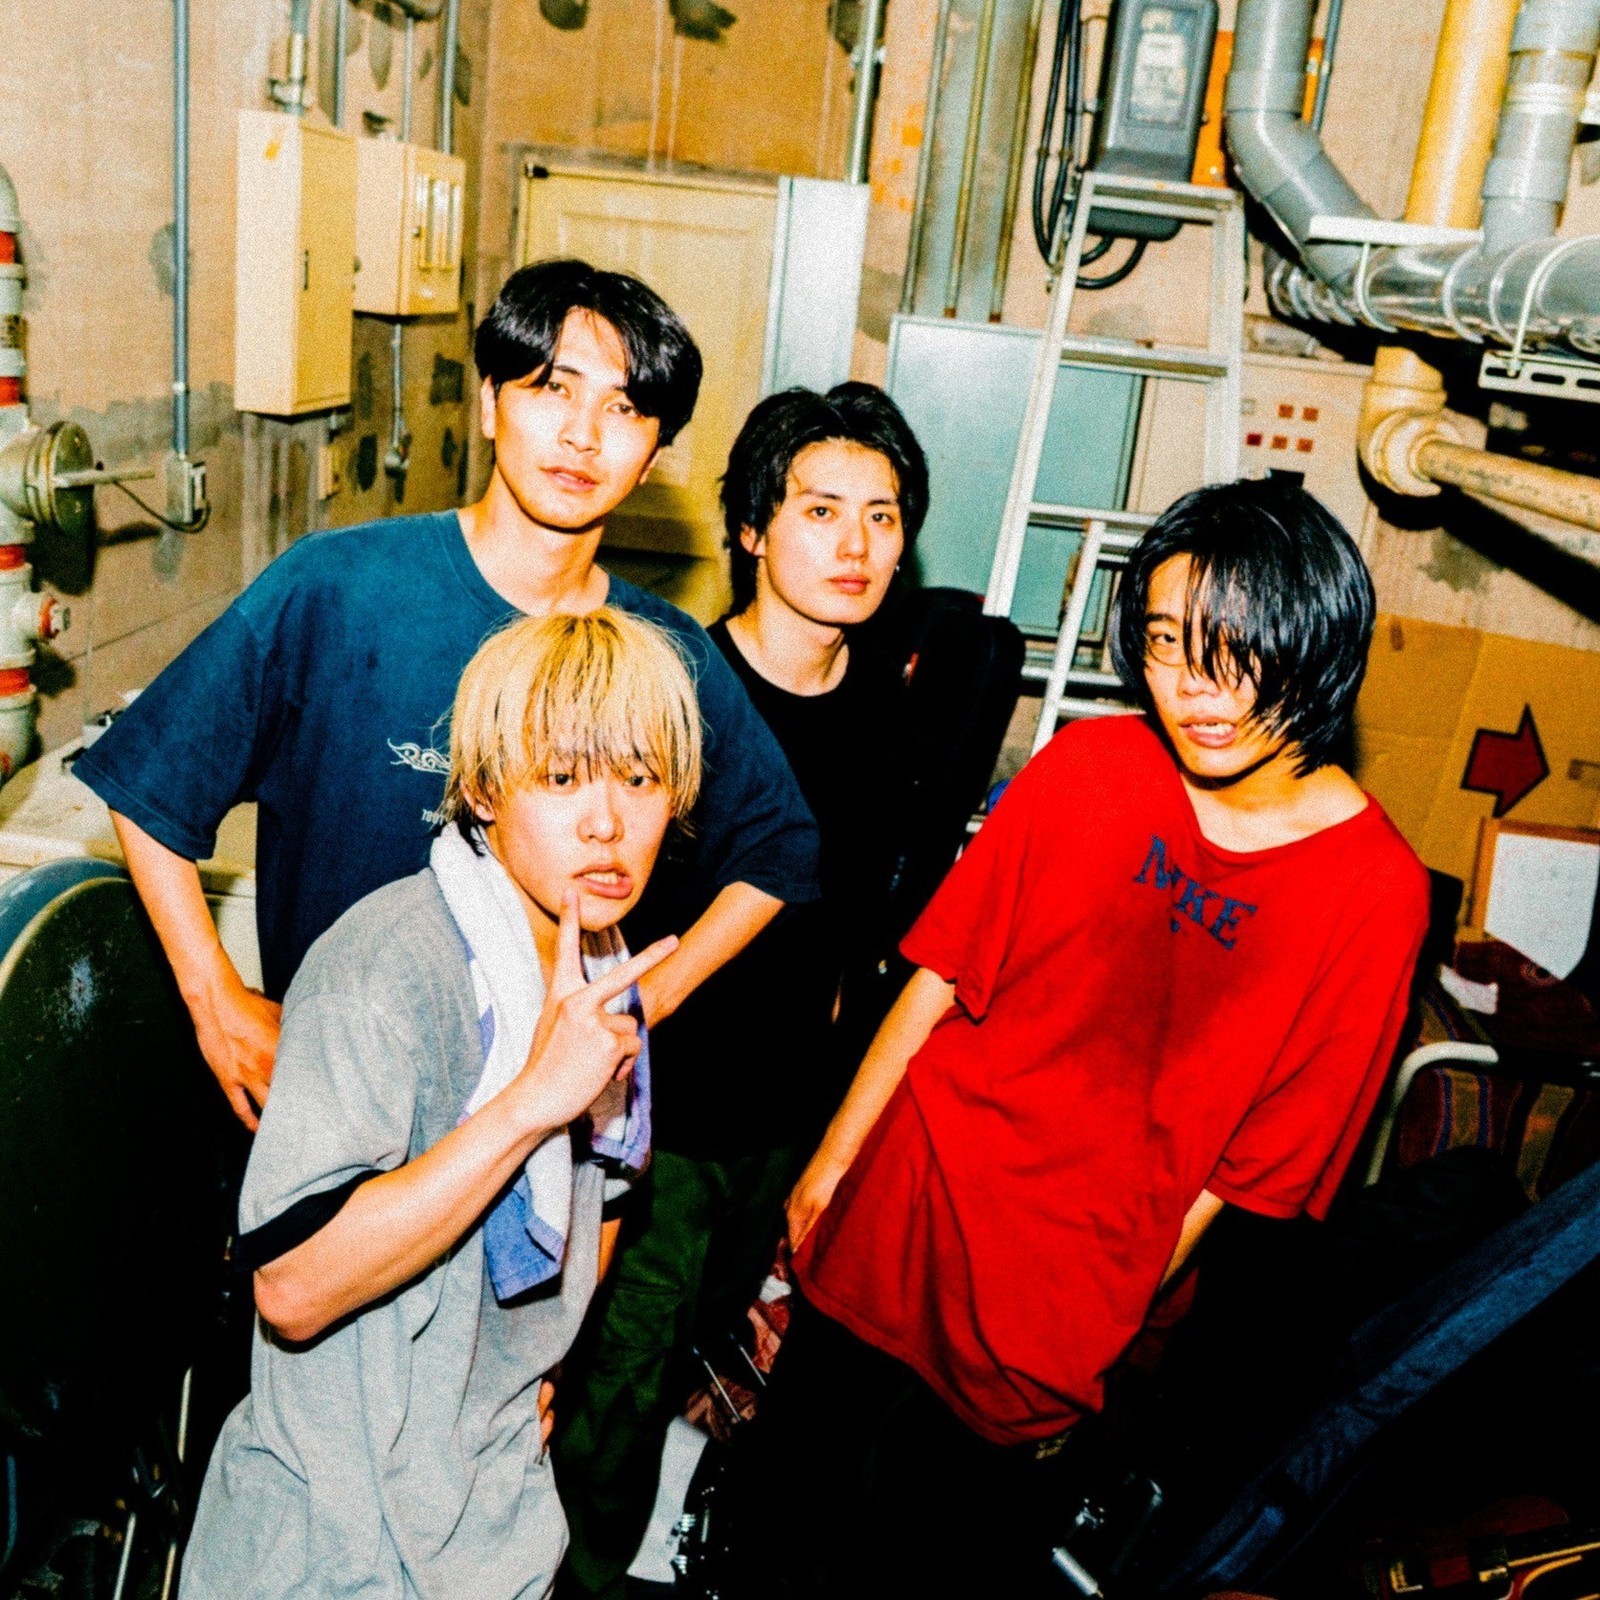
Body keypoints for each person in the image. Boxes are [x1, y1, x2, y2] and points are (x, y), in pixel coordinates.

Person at [729, 478, 1433, 1598]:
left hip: (1058, 1300)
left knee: (924, 1566)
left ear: (1316, 640)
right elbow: (937, 980)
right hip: (903, 1197)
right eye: (1165, 640)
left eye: (1235, 647)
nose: (1194, 686)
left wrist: (1106, 1316)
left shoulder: (1375, 893)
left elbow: (1245, 1177)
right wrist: (828, 1169)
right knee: (779, 1518)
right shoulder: (1091, 766)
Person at [75, 258, 818, 1133]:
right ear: (491, 402)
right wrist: (217, 1002)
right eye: (553, 388)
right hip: (344, 1105)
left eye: (624, 409)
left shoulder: (663, 654)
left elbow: (780, 846)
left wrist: (644, 1001)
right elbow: (150, 784)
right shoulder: (339, 590)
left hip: (547, 1119)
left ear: (655, 454)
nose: (583, 435)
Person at [177, 607, 702, 1599]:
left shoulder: (604, 969)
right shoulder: (385, 970)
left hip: (495, 1518)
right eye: (563, 778)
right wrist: (530, 1103)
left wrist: (543, 1368)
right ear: (484, 790)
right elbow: (290, 1289)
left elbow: (611, 1191)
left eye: (639, 778)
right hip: (336, 1541)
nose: (607, 821)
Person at [552, 384, 928, 1600]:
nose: (855, 544)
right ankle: (575, 1578)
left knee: (692, 1349)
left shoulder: (890, 706)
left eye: (881, 516)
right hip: (654, 1120)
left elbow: (859, 928)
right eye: (820, 510)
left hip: (782, 1119)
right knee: (616, 1378)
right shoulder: (673, 689)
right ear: (754, 530)